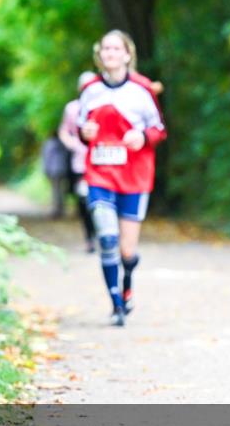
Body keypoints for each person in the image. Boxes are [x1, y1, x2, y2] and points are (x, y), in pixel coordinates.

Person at [78, 30, 167, 327]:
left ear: (127, 54)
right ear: (100, 54)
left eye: (116, 48)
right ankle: (116, 303)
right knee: (106, 237)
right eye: (106, 48)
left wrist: (141, 136)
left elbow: (159, 129)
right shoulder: (90, 89)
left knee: (127, 250)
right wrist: (85, 133)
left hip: (135, 175)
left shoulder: (142, 90)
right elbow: (81, 126)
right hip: (100, 173)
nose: (111, 53)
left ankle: (126, 278)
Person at [58, 72, 98, 251]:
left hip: (102, 163)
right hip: (80, 163)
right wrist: (74, 144)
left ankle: (104, 233)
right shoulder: (72, 108)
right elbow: (64, 131)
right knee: (83, 200)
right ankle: (89, 237)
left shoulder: (105, 105)